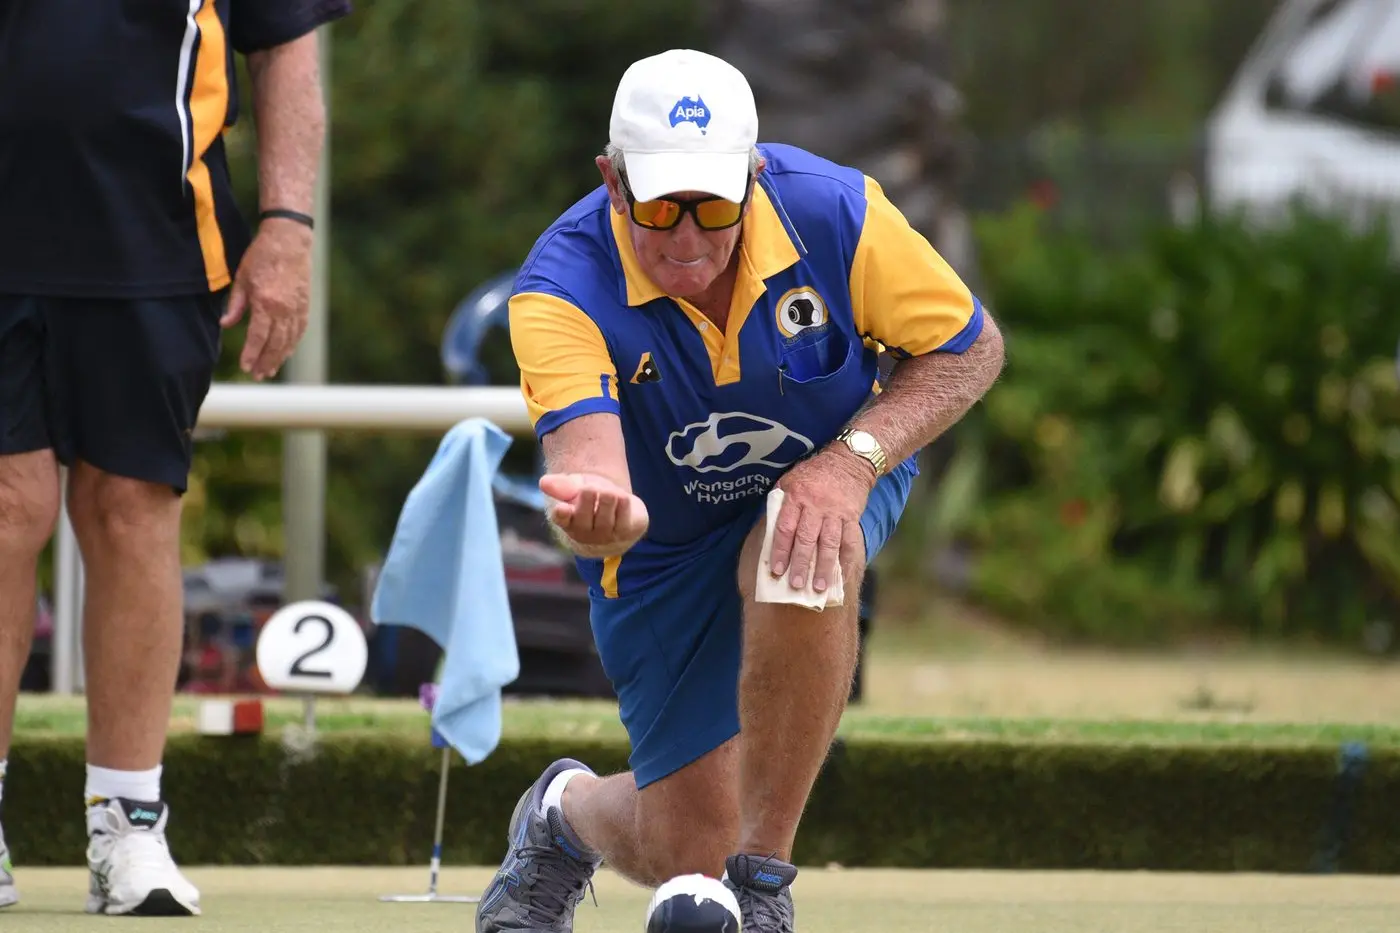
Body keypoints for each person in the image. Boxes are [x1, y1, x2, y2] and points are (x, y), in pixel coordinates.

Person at [478, 48, 1005, 933]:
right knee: (679, 850)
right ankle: (564, 813)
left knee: (796, 547)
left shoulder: (836, 212)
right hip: (663, 547)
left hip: (838, 465)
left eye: (715, 206)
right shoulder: (557, 288)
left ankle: (763, 884)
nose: (688, 240)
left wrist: (850, 462)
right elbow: (588, 458)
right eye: (659, 208)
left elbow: (968, 347)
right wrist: (606, 516)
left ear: (754, 176)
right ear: (613, 180)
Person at [0, 0, 350, 916]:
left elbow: (286, 51)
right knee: (6, 509)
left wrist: (287, 225)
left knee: (132, 507)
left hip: (156, 230)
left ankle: (129, 825)